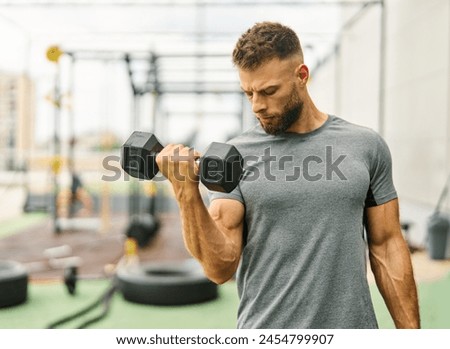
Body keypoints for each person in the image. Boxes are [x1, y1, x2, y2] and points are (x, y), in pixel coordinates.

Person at [156, 22, 420, 329]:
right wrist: (185, 191)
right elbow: (219, 267)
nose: (257, 105)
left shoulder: (364, 145)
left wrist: (412, 336)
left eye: (269, 91)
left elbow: (387, 245)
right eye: (248, 93)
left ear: (302, 76)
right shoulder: (233, 157)